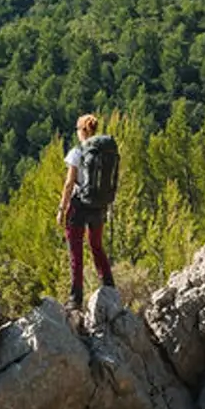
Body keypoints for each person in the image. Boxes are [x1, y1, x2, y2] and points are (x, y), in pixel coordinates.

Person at [57, 112, 116, 311]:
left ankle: (75, 299)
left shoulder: (77, 151)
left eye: (77, 129)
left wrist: (62, 209)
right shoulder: (103, 151)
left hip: (79, 206)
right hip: (98, 206)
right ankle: (109, 286)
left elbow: (69, 184)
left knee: (76, 251)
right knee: (96, 246)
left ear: (82, 130)